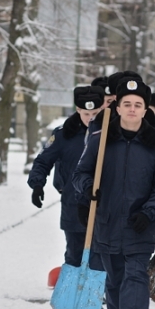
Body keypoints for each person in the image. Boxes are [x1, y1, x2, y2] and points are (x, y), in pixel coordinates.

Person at [73, 79, 155, 309]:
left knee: (136, 274)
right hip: (106, 220)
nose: (132, 109)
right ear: (117, 108)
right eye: (127, 104)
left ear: (145, 110)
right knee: (115, 276)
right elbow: (81, 174)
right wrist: (86, 194)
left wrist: (149, 211)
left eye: (137, 105)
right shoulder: (100, 139)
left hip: (139, 222)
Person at [28, 86, 106, 274]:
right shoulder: (64, 134)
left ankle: (97, 296)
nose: (91, 118)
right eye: (86, 113)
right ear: (78, 110)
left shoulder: (111, 133)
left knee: (101, 255)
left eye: (95, 113)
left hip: (104, 204)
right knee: (74, 253)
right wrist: (37, 184)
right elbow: (43, 160)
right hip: (73, 203)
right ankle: (72, 294)